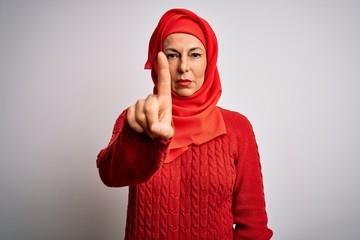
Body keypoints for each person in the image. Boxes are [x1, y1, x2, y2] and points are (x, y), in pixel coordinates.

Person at [96, 8, 273, 240]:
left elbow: (253, 225)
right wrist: (141, 139)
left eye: (195, 54)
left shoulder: (237, 128)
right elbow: (110, 176)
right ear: (158, 63)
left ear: (210, 60)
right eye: (172, 55)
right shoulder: (137, 120)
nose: (183, 67)